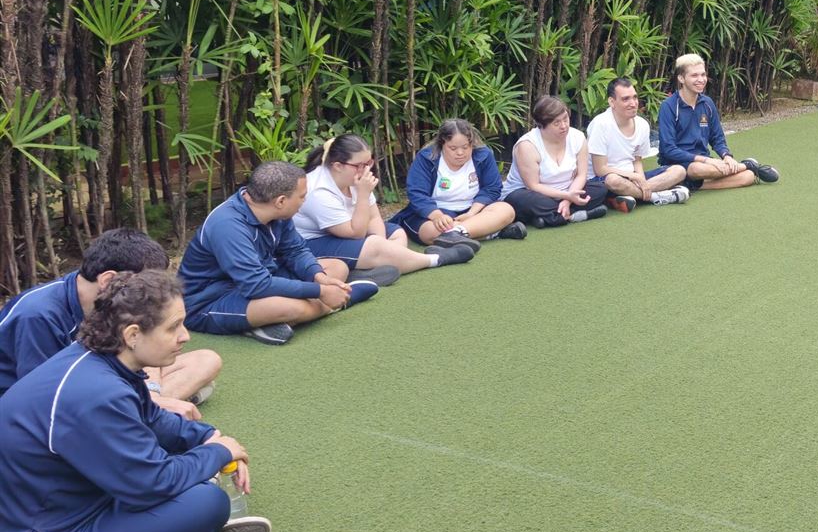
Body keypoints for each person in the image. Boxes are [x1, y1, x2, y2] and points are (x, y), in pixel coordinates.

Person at [0, 271, 271, 532]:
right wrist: (218, 453)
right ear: (132, 334)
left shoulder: (98, 357)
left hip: (71, 502)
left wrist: (207, 437)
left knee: (192, 473)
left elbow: (151, 417)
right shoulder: (97, 394)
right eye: (173, 327)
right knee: (207, 502)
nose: (185, 336)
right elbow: (153, 484)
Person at [0, 229, 220, 421]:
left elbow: (132, 355)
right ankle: (144, 411)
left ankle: (145, 407)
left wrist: (151, 394)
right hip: (33, 405)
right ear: (107, 280)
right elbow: (45, 396)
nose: (152, 296)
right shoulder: (38, 315)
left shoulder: (108, 301)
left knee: (207, 360)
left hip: (95, 379)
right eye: (143, 287)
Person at [178, 161, 378, 346]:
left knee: (336, 267)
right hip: (211, 300)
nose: (304, 201)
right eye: (302, 196)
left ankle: (265, 322)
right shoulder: (227, 226)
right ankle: (340, 300)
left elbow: (295, 250)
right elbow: (256, 285)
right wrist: (321, 292)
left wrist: (319, 278)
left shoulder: (278, 213)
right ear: (281, 201)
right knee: (292, 308)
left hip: (263, 278)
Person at [295, 134, 477, 283]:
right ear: (337, 166)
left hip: (350, 229)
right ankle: (436, 259)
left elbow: (374, 218)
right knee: (375, 246)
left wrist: (380, 244)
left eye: (369, 163)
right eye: (360, 165)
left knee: (396, 232)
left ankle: (365, 270)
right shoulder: (319, 190)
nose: (366, 169)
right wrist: (364, 195)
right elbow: (355, 233)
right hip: (313, 242)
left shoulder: (355, 176)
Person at [391, 119, 526, 250]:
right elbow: (417, 193)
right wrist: (437, 216)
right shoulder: (427, 158)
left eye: (465, 147)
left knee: (506, 210)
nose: (460, 153)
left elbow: (492, 188)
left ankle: (456, 233)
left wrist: (472, 213)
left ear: (472, 144)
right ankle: (492, 232)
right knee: (430, 232)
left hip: (474, 209)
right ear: (442, 144)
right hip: (436, 212)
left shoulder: (483, 155)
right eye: (453, 148)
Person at [656, 54, 780, 190]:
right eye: (694, 76)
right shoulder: (668, 106)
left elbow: (717, 138)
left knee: (748, 177)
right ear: (681, 78)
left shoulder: (707, 103)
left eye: (703, 75)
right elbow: (668, 149)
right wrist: (706, 160)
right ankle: (746, 165)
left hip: (706, 164)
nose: (701, 80)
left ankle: (692, 185)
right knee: (697, 169)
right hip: (678, 165)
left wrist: (726, 156)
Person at [502, 97, 610, 228]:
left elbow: (581, 175)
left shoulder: (577, 137)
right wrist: (568, 196)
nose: (564, 126)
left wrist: (568, 199)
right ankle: (574, 215)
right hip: (532, 193)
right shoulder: (527, 146)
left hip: (568, 190)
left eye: (565, 119)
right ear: (542, 125)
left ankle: (548, 217)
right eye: (556, 123)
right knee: (530, 201)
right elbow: (533, 186)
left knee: (600, 189)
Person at [587, 78, 691, 212]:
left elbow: (637, 161)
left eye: (635, 97)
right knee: (613, 181)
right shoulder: (600, 124)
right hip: (604, 179)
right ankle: (656, 196)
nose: (633, 103)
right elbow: (600, 169)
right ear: (612, 102)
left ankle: (633, 195)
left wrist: (641, 180)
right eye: (626, 99)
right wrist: (634, 177)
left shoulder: (642, 124)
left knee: (679, 170)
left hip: (631, 178)